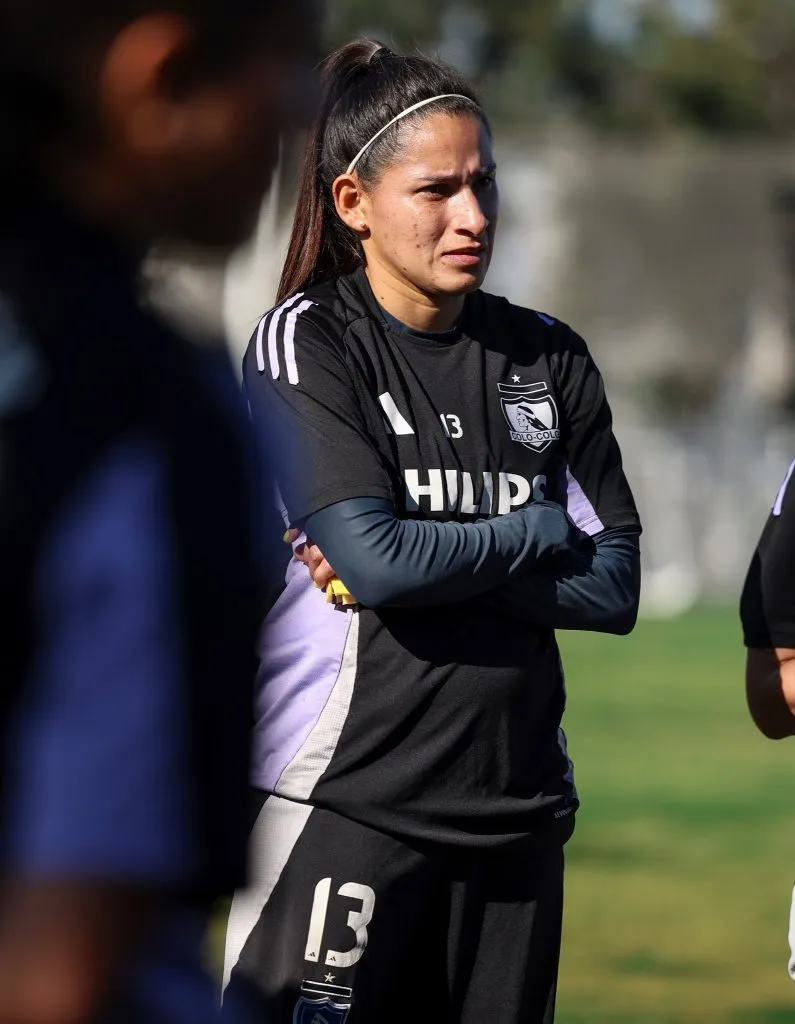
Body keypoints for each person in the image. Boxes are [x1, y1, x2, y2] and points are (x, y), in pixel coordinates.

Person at [223, 39, 642, 1024]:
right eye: (438, 189)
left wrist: (423, 554)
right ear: (352, 202)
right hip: (346, 806)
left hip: (518, 818)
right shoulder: (308, 342)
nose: (474, 215)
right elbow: (369, 560)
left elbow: (616, 586)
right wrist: (534, 527)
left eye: (485, 184)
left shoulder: (548, 356)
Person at [0, 1, 320, 1021]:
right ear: (164, 81)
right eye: (288, 69)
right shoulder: (146, 422)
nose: (300, 117)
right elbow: (60, 972)